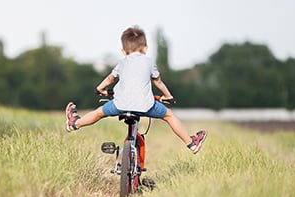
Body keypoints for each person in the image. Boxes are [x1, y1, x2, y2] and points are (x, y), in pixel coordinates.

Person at [65, 26, 207, 154]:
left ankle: (74, 124)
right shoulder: (149, 62)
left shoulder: (121, 63)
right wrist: (168, 96)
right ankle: (191, 143)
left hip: (119, 105)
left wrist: (100, 89)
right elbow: (158, 82)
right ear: (145, 48)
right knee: (169, 115)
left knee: (98, 113)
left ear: (123, 51)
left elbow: (110, 79)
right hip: (146, 106)